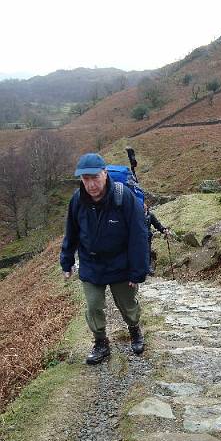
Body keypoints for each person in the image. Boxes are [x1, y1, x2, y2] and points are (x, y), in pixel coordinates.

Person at [60, 153, 149, 365]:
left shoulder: (124, 197)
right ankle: (101, 343)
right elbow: (71, 232)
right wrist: (67, 261)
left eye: (95, 178)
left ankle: (135, 331)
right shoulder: (77, 200)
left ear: (105, 174)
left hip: (121, 263)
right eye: (85, 179)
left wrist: (138, 271)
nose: (91, 184)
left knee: (127, 304)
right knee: (93, 306)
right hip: (91, 264)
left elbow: (138, 235)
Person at [144, 203, 170, 275]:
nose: (143, 206)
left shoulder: (150, 215)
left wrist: (163, 229)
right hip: (137, 237)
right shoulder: (136, 214)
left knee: (147, 251)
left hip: (147, 236)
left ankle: (148, 267)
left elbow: (157, 224)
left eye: (145, 205)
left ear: (147, 207)